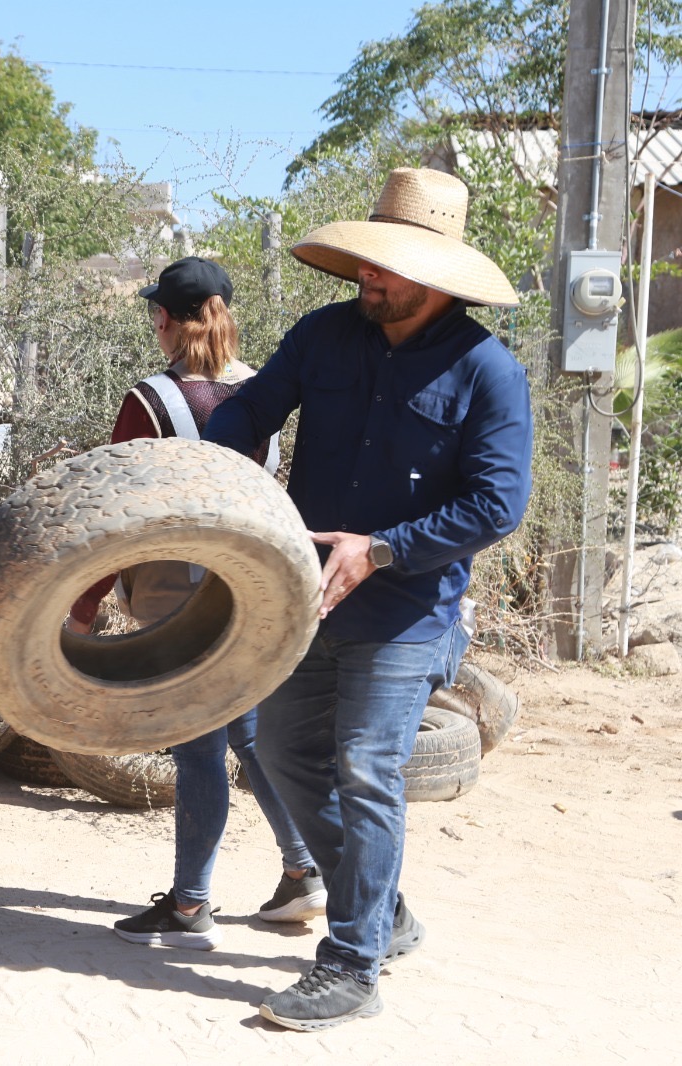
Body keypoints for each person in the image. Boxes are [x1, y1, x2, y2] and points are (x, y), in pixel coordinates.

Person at [203, 168, 533, 1031]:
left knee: (366, 767)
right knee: (279, 751)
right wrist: (218, 465)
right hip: (307, 599)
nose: (367, 279)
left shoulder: (487, 371)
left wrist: (383, 549)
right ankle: (384, 913)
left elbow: (497, 504)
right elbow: (252, 411)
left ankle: (351, 964)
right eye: (365, 265)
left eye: (384, 271)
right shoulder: (323, 336)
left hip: (408, 613)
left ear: (434, 278)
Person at [62, 257, 325, 951]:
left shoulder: (151, 401)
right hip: (253, 584)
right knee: (250, 732)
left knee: (200, 745)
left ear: (168, 321)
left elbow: (110, 515)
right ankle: (304, 871)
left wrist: (84, 603)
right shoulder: (263, 390)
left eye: (156, 312)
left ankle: (188, 908)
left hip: (173, 593)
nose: (153, 322)